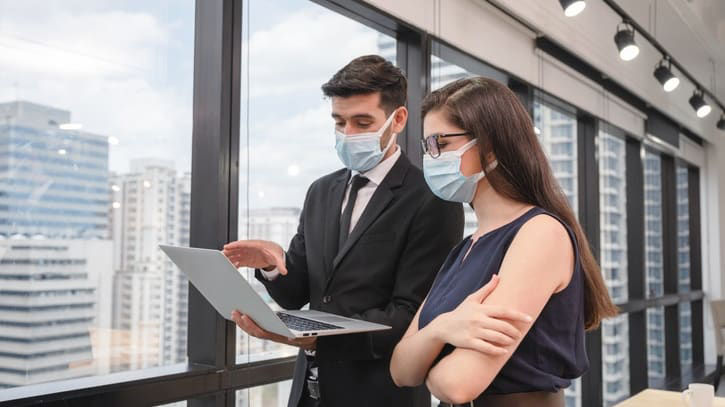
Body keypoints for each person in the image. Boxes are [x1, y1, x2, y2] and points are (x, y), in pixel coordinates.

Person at [223, 55, 468, 407]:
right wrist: (271, 266)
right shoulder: (321, 191)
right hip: (308, 393)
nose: (348, 134)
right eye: (339, 122)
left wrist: (317, 339)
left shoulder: (432, 198)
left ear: (398, 119)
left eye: (362, 122)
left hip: (379, 394)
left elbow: (412, 314)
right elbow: (299, 294)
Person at [390, 76, 618, 406]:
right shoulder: (465, 248)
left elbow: (457, 385)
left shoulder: (540, 234)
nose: (431, 157)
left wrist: (426, 355)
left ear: (491, 147)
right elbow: (400, 369)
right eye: (426, 146)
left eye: (440, 143)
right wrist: (443, 328)